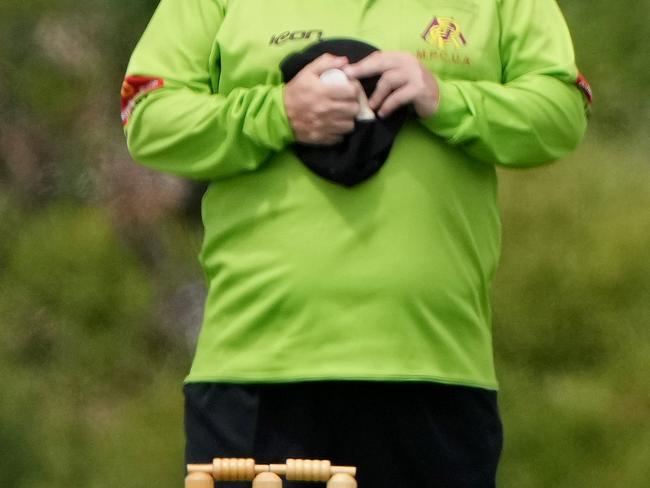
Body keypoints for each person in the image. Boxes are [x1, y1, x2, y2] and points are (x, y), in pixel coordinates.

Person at [122, 0, 590, 486]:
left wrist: (445, 99)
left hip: (435, 366)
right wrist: (279, 112)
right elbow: (148, 113)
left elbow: (561, 109)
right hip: (258, 366)